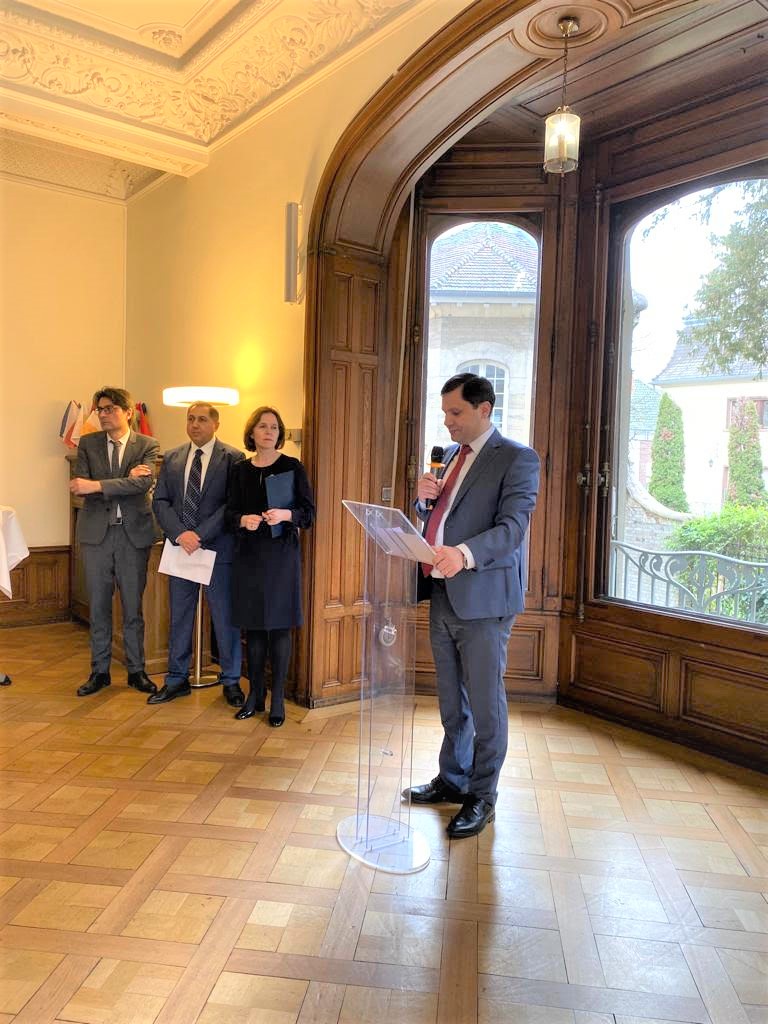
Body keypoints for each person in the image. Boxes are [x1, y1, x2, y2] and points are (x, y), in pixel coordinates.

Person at [403, 372, 540, 839]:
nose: (448, 421)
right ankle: (452, 778)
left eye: (456, 412)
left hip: (484, 597)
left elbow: (512, 529)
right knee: (450, 699)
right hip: (442, 591)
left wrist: (463, 554)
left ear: (485, 409)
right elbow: (439, 519)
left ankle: (482, 795)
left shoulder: (517, 459)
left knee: (484, 703)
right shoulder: (450, 457)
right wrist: (421, 503)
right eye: (445, 412)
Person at [148, 402, 246, 707]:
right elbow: (160, 501)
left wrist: (200, 534)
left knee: (224, 618)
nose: (195, 424)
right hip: (180, 548)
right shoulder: (173, 457)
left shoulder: (233, 458)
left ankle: (231, 681)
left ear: (216, 424)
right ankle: (176, 679)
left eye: (202, 419)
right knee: (179, 616)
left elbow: (231, 504)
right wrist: (181, 534)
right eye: (190, 419)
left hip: (217, 549)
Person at [69, 387, 160, 697]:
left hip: (133, 536)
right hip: (96, 535)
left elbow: (141, 485)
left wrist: (98, 484)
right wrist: (125, 478)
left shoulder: (147, 444)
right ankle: (99, 671)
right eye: (101, 410)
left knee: (133, 608)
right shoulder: (88, 443)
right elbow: (79, 486)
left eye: (110, 409)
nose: (104, 414)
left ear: (128, 412)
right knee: (98, 607)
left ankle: (136, 671)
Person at [227, 406, 314, 726]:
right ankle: (255, 695)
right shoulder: (240, 470)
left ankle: (277, 699)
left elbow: (309, 513)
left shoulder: (292, 466)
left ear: (279, 434)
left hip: (280, 557)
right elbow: (229, 513)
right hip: (248, 556)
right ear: (252, 432)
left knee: (278, 628)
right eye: (262, 426)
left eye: (274, 427)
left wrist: (286, 514)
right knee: (253, 628)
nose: (268, 432)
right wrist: (242, 520)